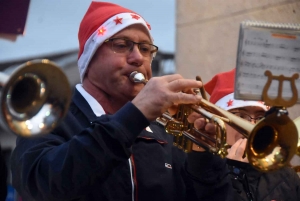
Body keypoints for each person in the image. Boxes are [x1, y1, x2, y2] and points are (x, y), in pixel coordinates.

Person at [10, 1, 231, 201]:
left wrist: (202, 158)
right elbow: (44, 185)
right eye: (122, 45)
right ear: (90, 57)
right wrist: (134, 115)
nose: (138, 58)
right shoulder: (49, 115)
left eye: (145, 49)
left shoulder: (164, 127)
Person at [201, 68, 300, 201]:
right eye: (240, 116)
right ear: (218, 122)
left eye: (260, 117)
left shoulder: (286, 177)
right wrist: (234, 173)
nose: (253, 125)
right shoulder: (202, 171)